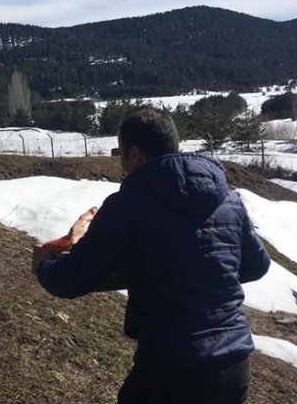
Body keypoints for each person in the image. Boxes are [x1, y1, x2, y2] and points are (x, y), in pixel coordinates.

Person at [32, 108, 270, 404]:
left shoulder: (126, 205)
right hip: (234, 366)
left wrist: (44, 265)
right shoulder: (228, 199)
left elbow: (73, 278)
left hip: (169, 367)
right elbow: (257, 266)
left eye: (121, 151)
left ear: (134, 154)